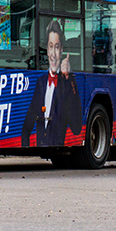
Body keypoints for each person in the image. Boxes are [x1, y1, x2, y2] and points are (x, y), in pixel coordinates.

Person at [21, 20, 82, 148]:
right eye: (50, 46)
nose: (53, 54)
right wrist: (24, 149)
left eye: (57, 47)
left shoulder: (67, 83)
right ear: (47, 50)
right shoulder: (41, 82)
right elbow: (27, 124)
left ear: (61, 51)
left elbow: (76, 127)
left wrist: (69, 77)